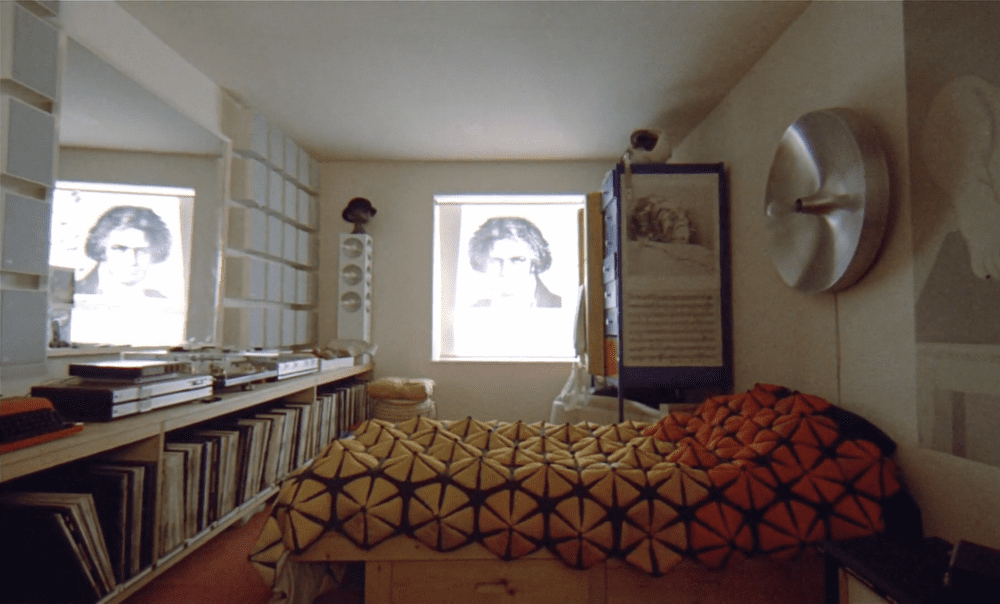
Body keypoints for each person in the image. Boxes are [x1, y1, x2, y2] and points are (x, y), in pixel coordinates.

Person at [75, 205, 172, 299]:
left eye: (142, 251)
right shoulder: (75, 292)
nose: (133, 261)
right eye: (120, 249)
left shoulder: (161, 300)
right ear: (102, 251)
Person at [468, 216, 562, 308]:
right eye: (495, 261)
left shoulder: (557, 305)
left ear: (534, 264)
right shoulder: (476, 308)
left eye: (517, 260)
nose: (505, 271)